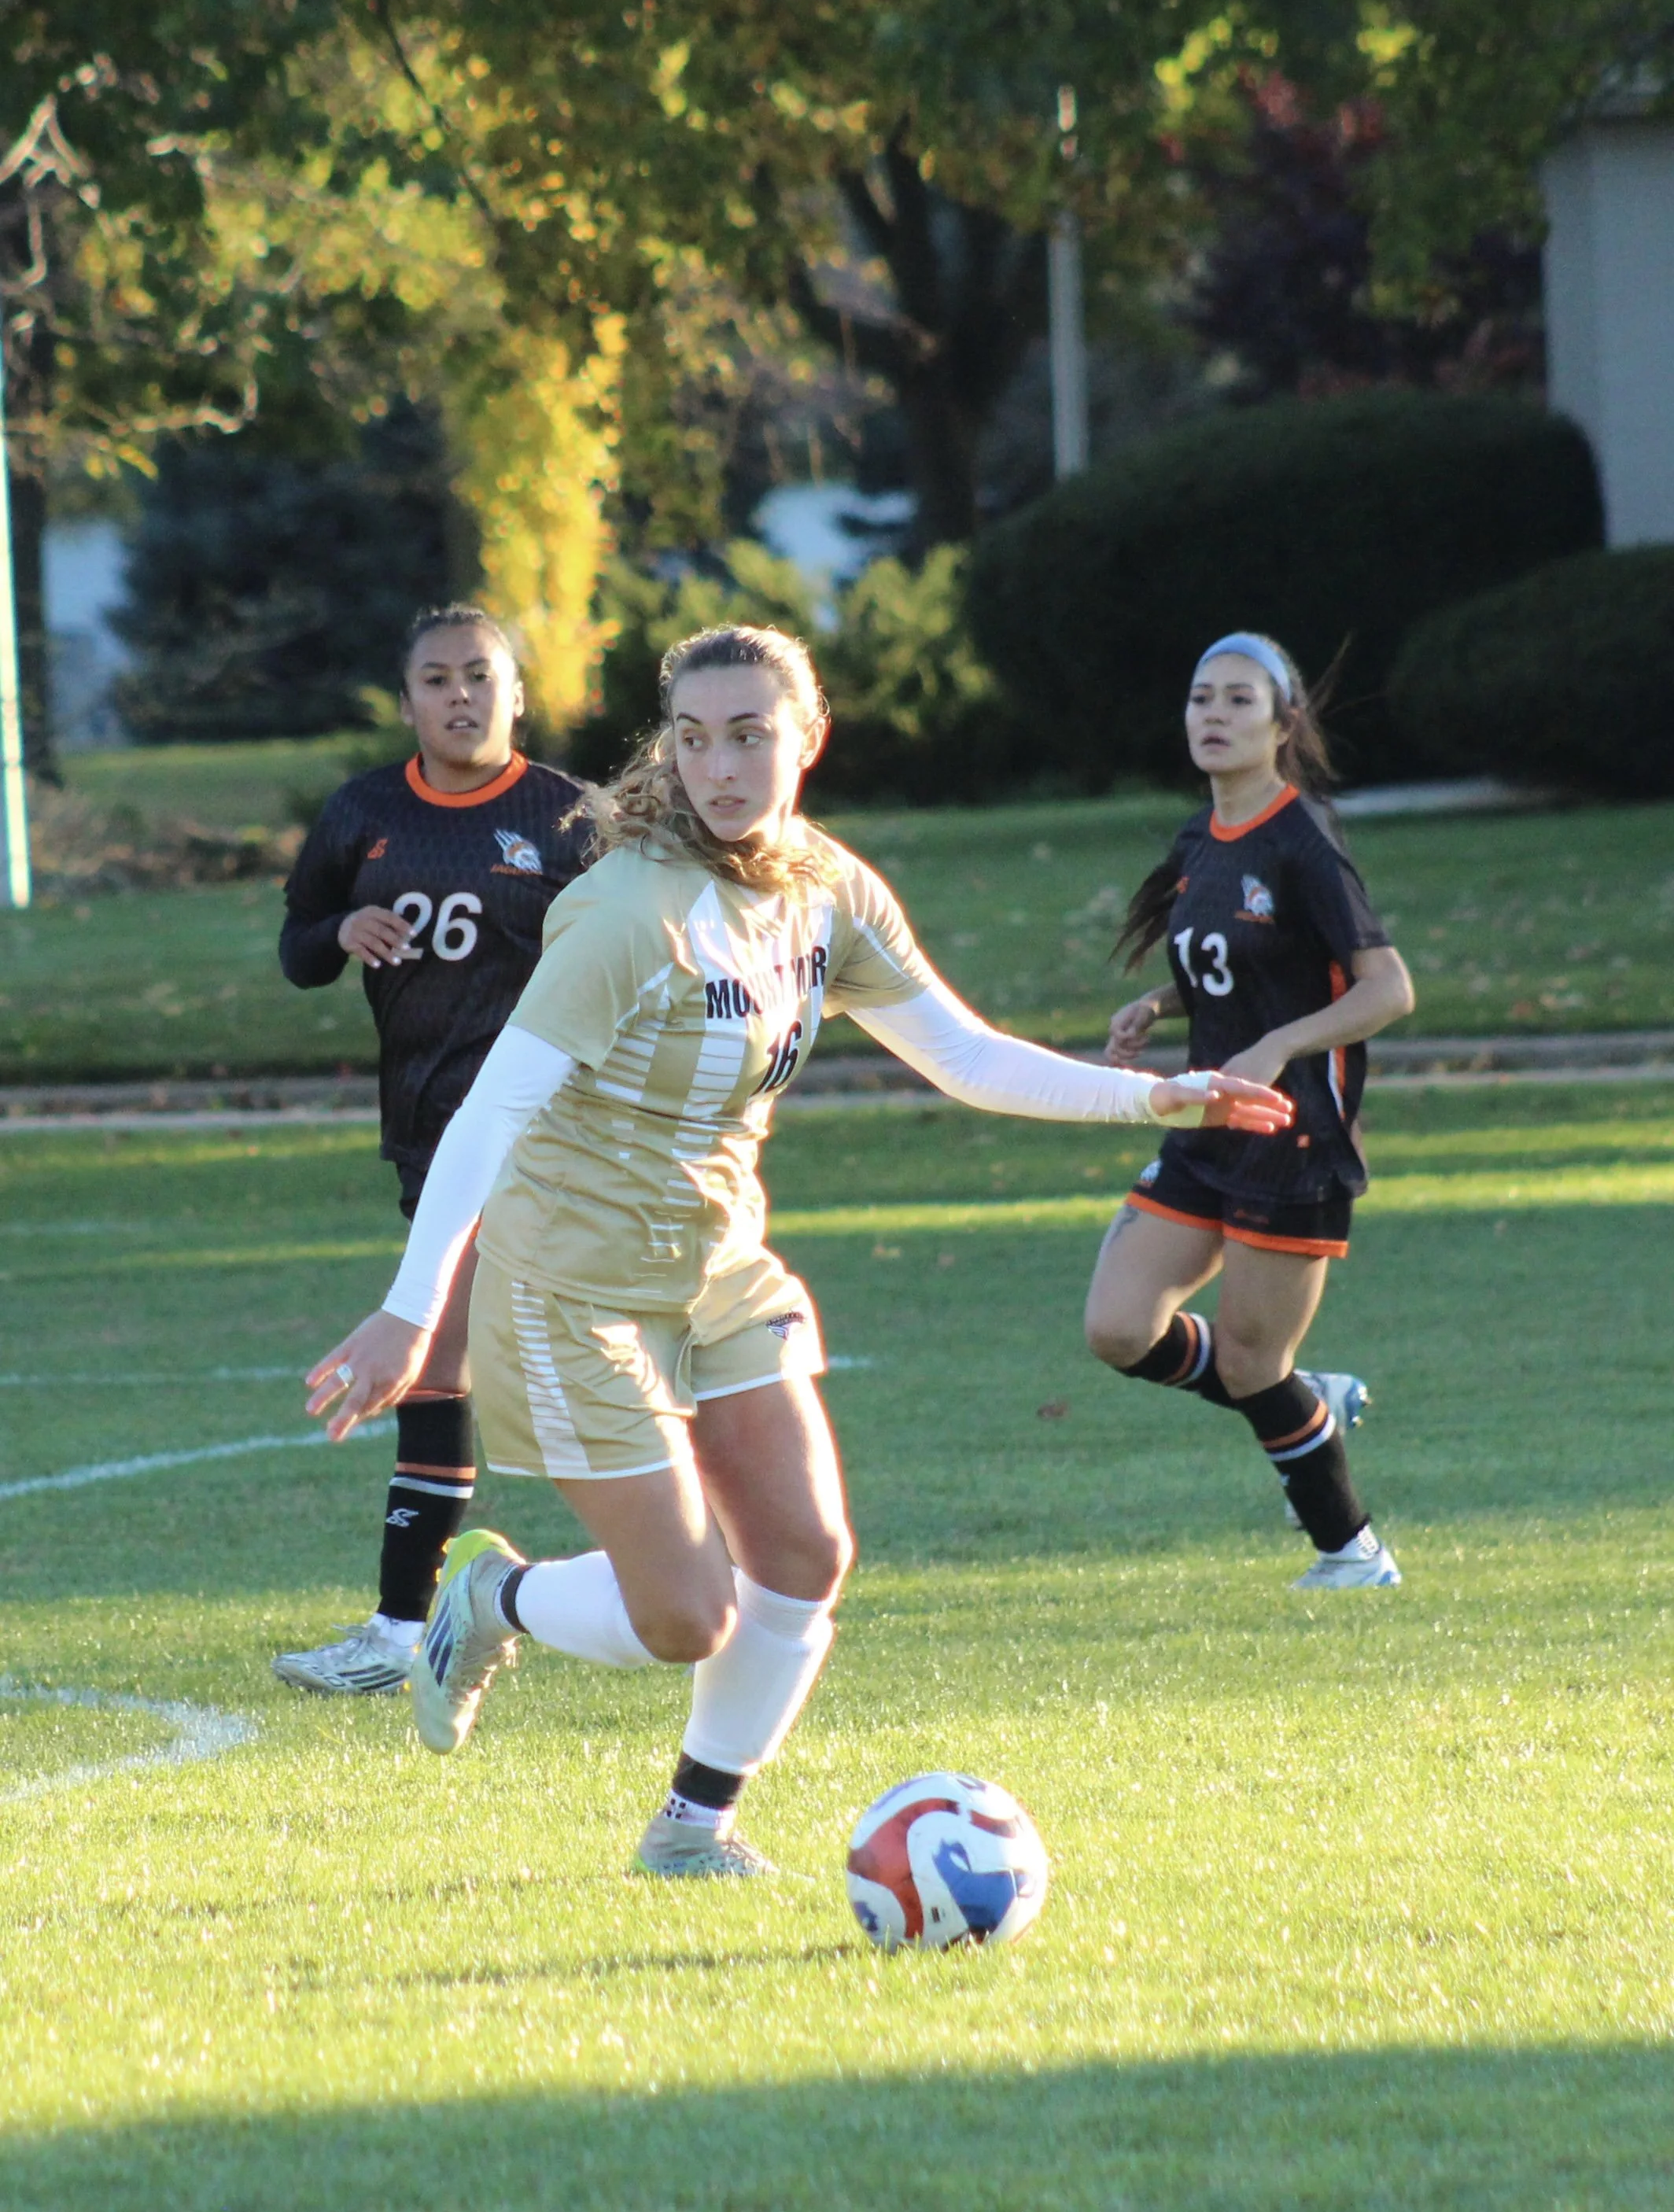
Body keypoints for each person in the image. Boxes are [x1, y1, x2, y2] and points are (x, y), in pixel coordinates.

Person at [303, 623, 1292, 1877]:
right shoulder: (628, 912)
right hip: (571, 1291)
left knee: (809, 1554)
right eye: (694, 739)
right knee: (688, 1615)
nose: (720, 767)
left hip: (720, 1270)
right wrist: (409, 1309)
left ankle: (693, 1830)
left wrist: (1158, 1097)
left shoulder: (822, 886)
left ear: (809, 737)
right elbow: (490, 1113)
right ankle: (491, 1599)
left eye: (750, 735)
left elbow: (964, 1056)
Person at [272, 605, 593, 1694]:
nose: (461, 696)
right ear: (408, 701)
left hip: (541, 1134)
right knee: (454, 1366)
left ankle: (407, 1631)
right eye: (438, 679)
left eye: (480, 676)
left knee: (441, 1362)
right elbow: (299, 948)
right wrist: (339, 931)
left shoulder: (569, 820)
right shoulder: (363, 813)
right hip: (426, 1130)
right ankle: (428, 1623)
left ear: (517, 694)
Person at [1084, 632, 1416, 1587]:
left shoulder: (1301, 837)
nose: (1214, 715)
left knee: (1248, 1364)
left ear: (1283, 724)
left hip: (1294, 1138)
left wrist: (1278, 1046)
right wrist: (1158, 1003)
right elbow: (1244, 961)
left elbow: (1387, 989)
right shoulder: (1201, 838)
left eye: (1238, 700)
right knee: (1118, 1329)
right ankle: (1304, 1402)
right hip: (1207, 1125)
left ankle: (1352, 1554)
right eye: (1201, 698)